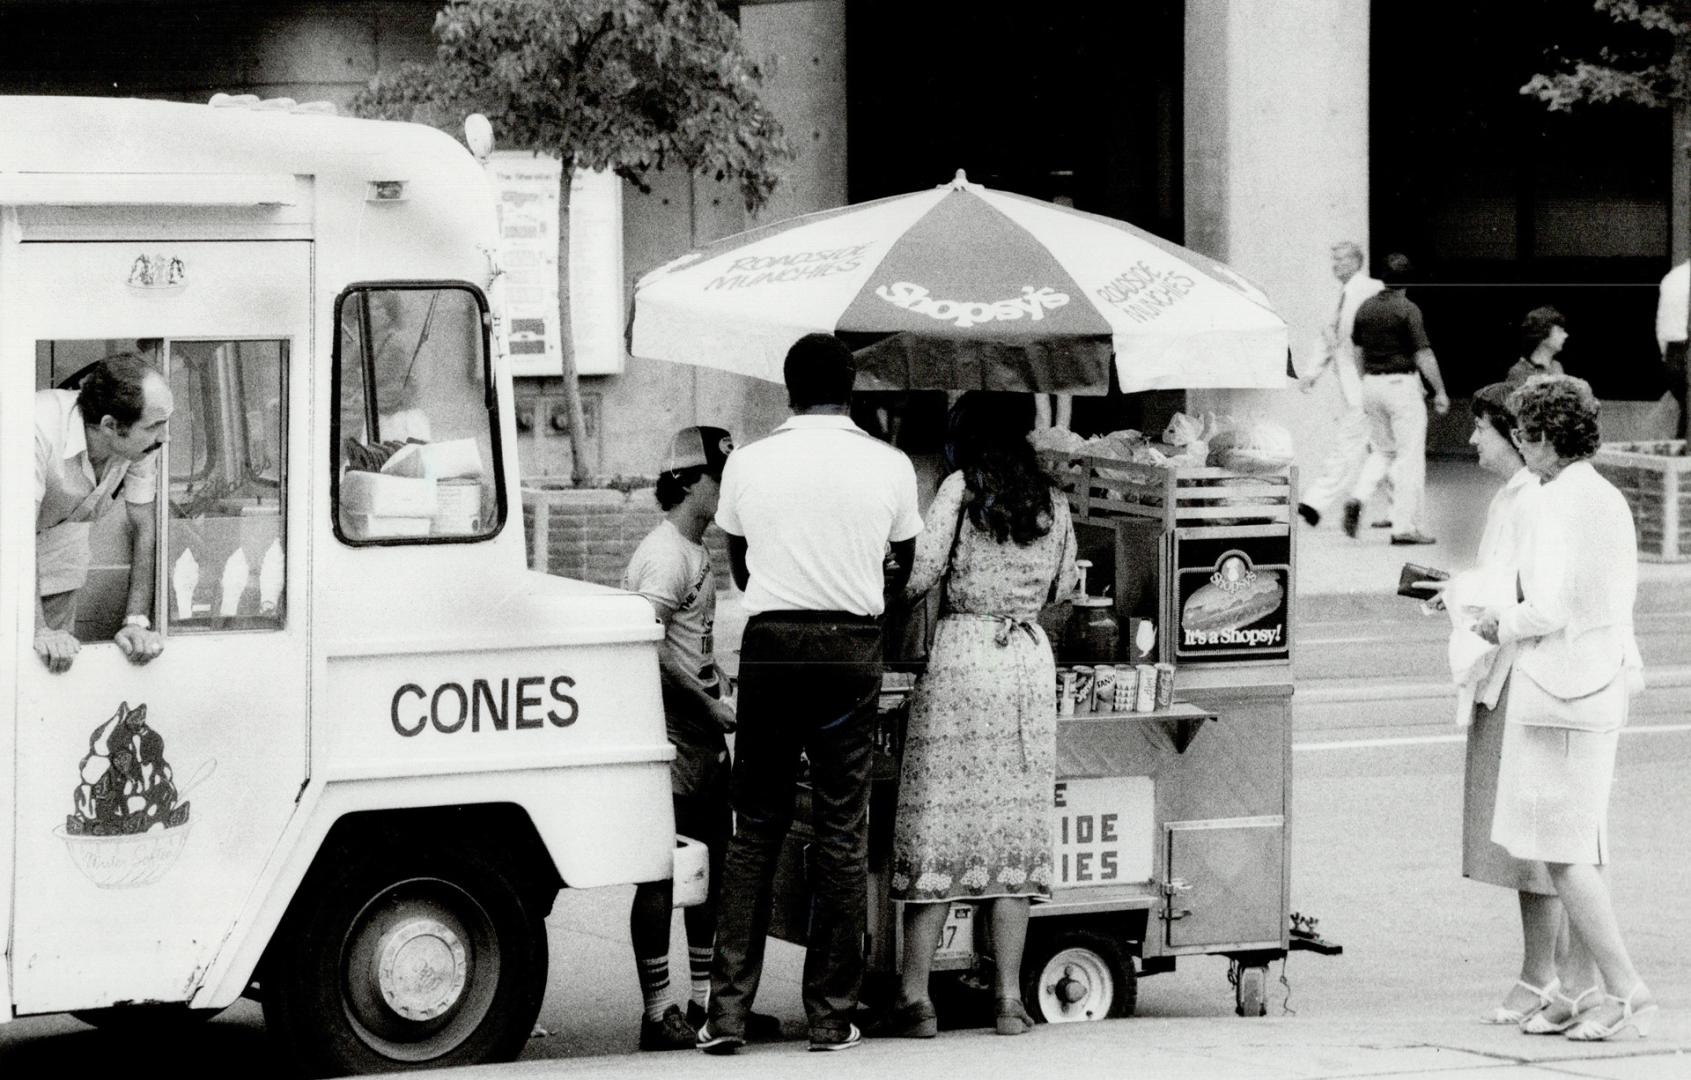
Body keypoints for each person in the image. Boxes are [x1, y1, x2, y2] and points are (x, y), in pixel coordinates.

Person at [700, 333, 922, 1055]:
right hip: (851, 647)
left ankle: (725, 1015)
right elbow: (903, 564)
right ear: (849, 387)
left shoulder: (746, 463)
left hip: (771, 644)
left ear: (787, 388)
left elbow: (737, 558)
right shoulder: (888, 466)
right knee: (840, 829)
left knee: (755, 828)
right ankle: (829, 1016)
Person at [875, 392, 1076, 1040]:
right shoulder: (1053, 498)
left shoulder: (961, 488)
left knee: (941, 829)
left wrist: (884, 570)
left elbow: (919, 575)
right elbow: (1063, 590)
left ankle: (917, 1000)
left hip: (963, 660)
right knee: (1010, 840)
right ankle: (1010, 1002)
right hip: (1024, 664)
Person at [1473, 375, 1656, 1042]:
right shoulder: (1601, 495)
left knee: (1560, 854)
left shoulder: (1555, 504)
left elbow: (1546, 606)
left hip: (1560, 688)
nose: (1521, 449)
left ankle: (1625, 988)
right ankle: (1581, 990)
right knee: (1584, 846)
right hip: (1599, 679)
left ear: (1543, 438)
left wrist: (1496, 622)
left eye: (1522, 436)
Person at [621, 425, 781, 1050]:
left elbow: (688, 649)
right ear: (688, 481)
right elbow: (645, 646)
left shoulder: (695, 551)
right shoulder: (665, 554)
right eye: (720, 479)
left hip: (701, 741)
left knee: (707, 871)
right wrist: (708, 705)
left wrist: (722, 685)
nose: (728, 491)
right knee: (663, 873)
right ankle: (658, 1011)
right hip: (672, 741)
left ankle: (705, 1003)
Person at [1423, 384, 1565, 1027]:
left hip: (1525, 676)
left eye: (1481, 428)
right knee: (1523, 836)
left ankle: (1543, 976)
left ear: (1515, 435)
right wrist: (1457, 592)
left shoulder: (1536, 501)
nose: (1472, 439)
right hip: (1504, 670)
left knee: (1531, 837)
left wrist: (1470, 600)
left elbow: (1529, 594)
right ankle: (1553, 976)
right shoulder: (1515, 498)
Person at [34, 353, 172, 673]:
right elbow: (11, 534)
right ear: (110, 425)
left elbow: (144, 526)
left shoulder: (141, 442)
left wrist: (136, 621)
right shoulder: (36, 426)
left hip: (60, 553)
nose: (165, 436)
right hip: (11, 543)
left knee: (50, 671)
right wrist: (39, 629)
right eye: (155, 426)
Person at [1342, 252, 1449, 546]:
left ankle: (1358, 496)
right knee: (1410, 457)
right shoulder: (1407, 309)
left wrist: (1367, 379)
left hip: (1371, 385)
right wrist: (1439, 390)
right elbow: (1423, 354)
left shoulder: (1365, 308)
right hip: (1401, 384)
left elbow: (1357, 352)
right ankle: (1404, 527)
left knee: (1382, 451)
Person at [1297, 240, 1386, 527]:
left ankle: (1314, 503)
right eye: (1334, 260)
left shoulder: (1371, 289)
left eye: (1343, 259)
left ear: (1357, 261)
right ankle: (1395, 512)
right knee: (1382, 445)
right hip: (1354, 381)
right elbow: (1328, 335)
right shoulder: (1342, 294)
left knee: (1353, 441)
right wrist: (1312, 372)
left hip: (1368, 379)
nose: (1336, 265)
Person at [1654, 259, 1689, 437]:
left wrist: (1667, 356)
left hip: (1672, 354)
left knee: (1686, 412)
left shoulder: (1672, 278)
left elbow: (1661, 326)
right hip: (1684, 348)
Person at [1506, 306, 1568, 387]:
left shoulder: (1557, 367)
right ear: (1543, 334)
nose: (1565, 335)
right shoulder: (1519, 371)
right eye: (1559, 331)